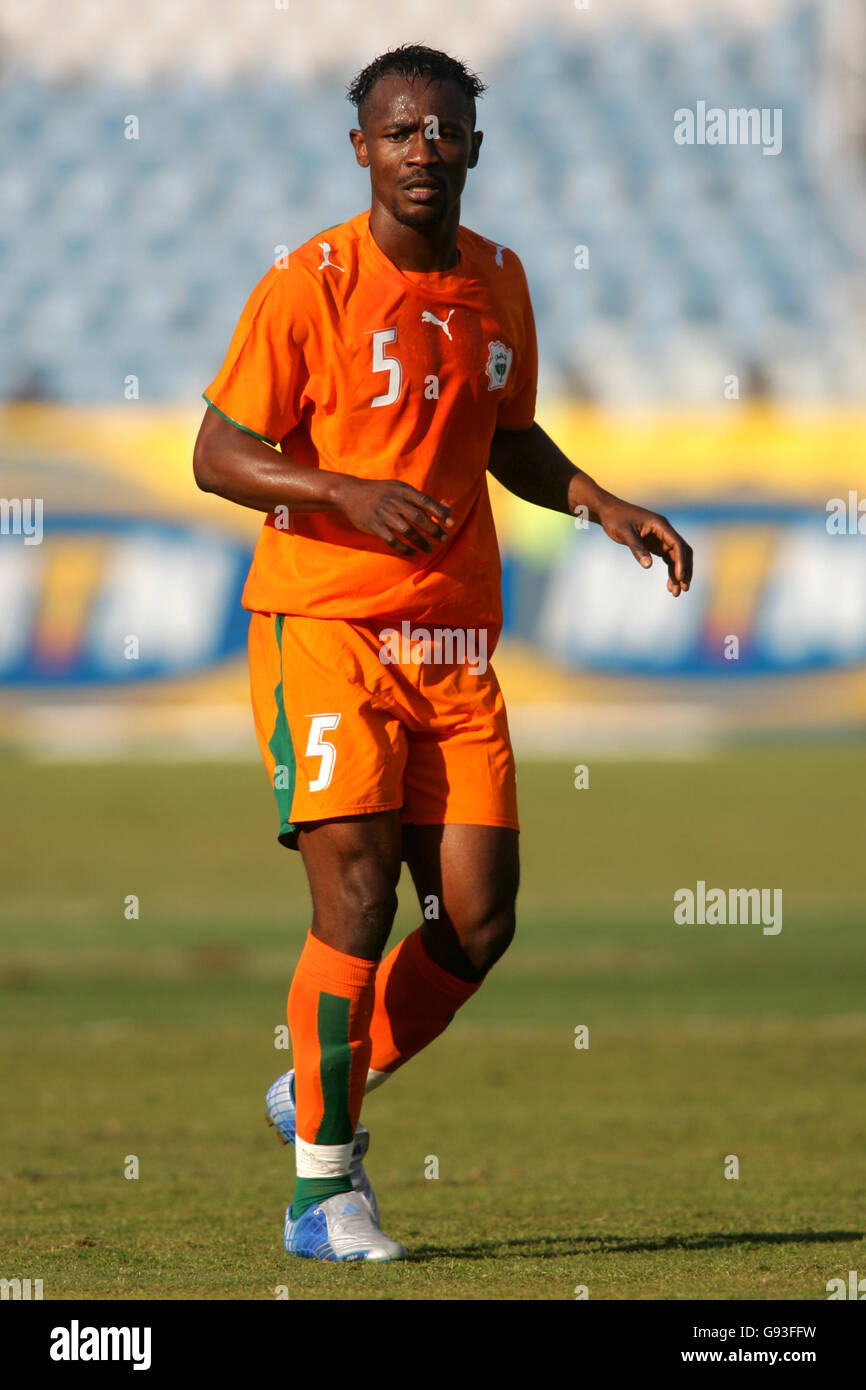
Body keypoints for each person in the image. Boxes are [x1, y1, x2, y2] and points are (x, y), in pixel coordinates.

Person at [193, 43, 693, 1263]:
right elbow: (217, 453)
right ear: (358, 147)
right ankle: (324, 1192)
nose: (423, 149)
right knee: (357, 897)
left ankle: (319, 1080)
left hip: (454, 644)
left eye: (444, 130)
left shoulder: (500, 281)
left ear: (475, 147)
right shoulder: (306, 283)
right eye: (399, 130)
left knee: (476, 921)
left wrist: (598, 502)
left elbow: (506, 434)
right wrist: (341, 494)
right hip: (326, 629)